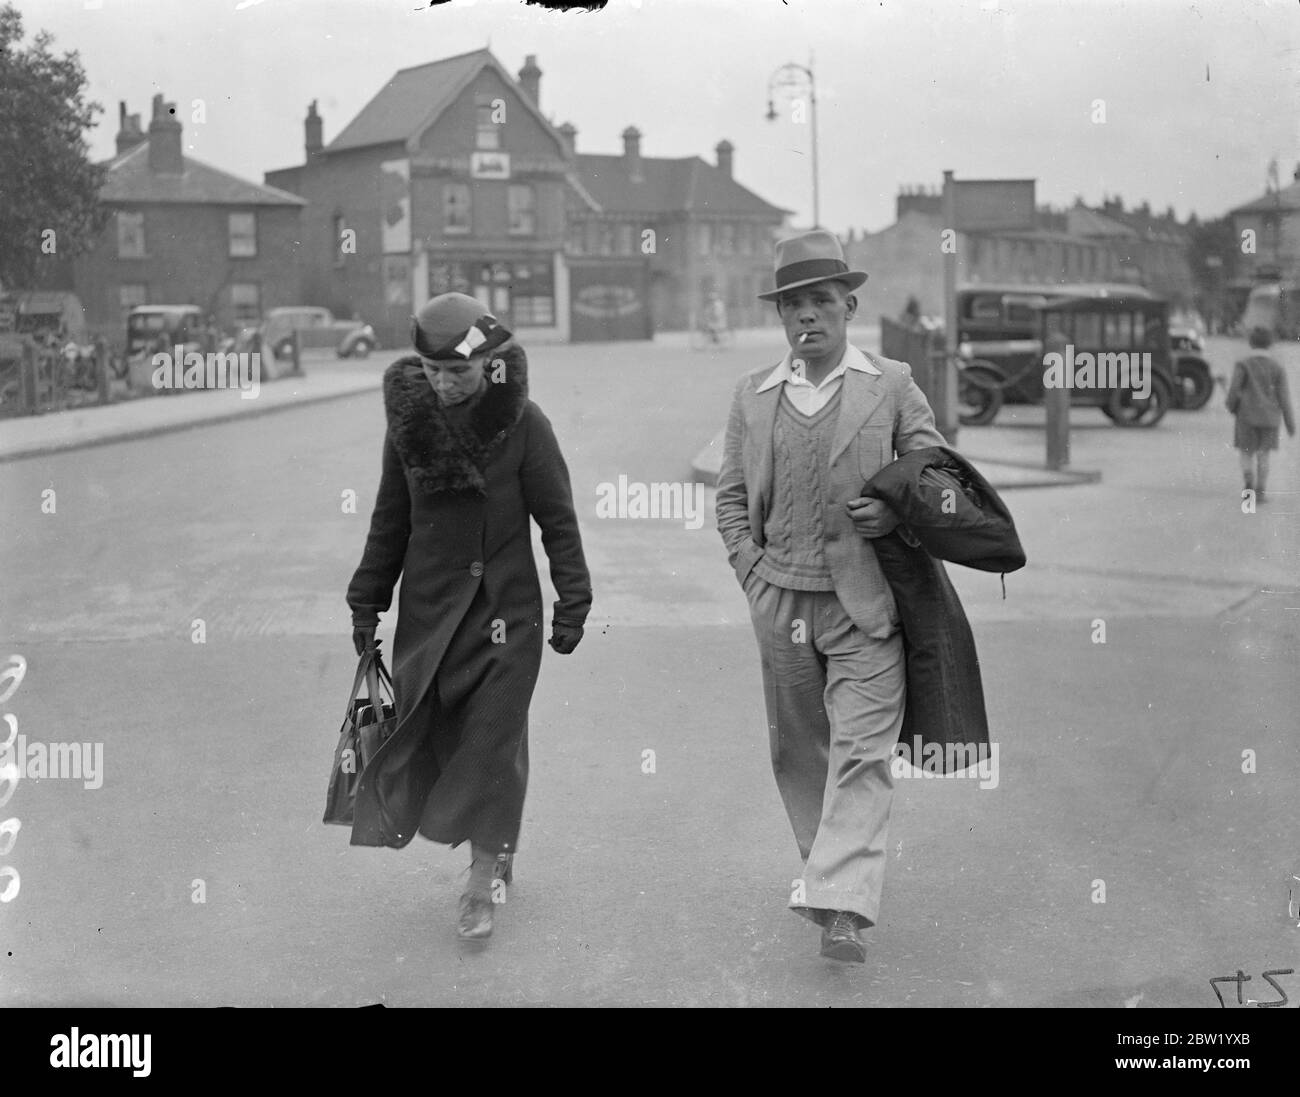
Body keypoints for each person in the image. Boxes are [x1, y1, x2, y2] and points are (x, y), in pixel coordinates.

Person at [715, 229, 948, 963]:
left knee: (861, 752)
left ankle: (844, 905)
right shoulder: (754, 397)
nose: (805, 317)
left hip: (865, 606)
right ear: (781, 317)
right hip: (780, 603)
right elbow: (728, 499)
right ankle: (829, 877)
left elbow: (937, 474)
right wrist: (752, 571)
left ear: (849, 306)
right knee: (800, 752)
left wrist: (899, 511)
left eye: (820, 301)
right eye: (792, 305)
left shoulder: (891, 382)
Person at [346, 292, 591, 941]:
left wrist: (575, 598)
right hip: (432, 619)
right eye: (434, 371)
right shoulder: (408, 428)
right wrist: (366, 598)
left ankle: (480, 882)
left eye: (460, 370)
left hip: (508, 616)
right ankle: (498, 845)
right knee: (456, 740)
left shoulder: (524, 423)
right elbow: (389, 520)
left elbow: (557, 519)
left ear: (489, 363)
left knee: (491, 740)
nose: (446, 383)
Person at [1226, 326, 1295, 504]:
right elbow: (1284, 397)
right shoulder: (1277, 367)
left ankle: (1249, 480)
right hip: (1270, 420)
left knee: (1246, 453)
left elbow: (1234, 391)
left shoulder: (1243, 364)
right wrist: (1290, 424)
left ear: (1251, 342)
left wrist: (1232, 407)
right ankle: (1261, 490)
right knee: (1264, 455)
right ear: (1270, 344)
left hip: (1246, 418)